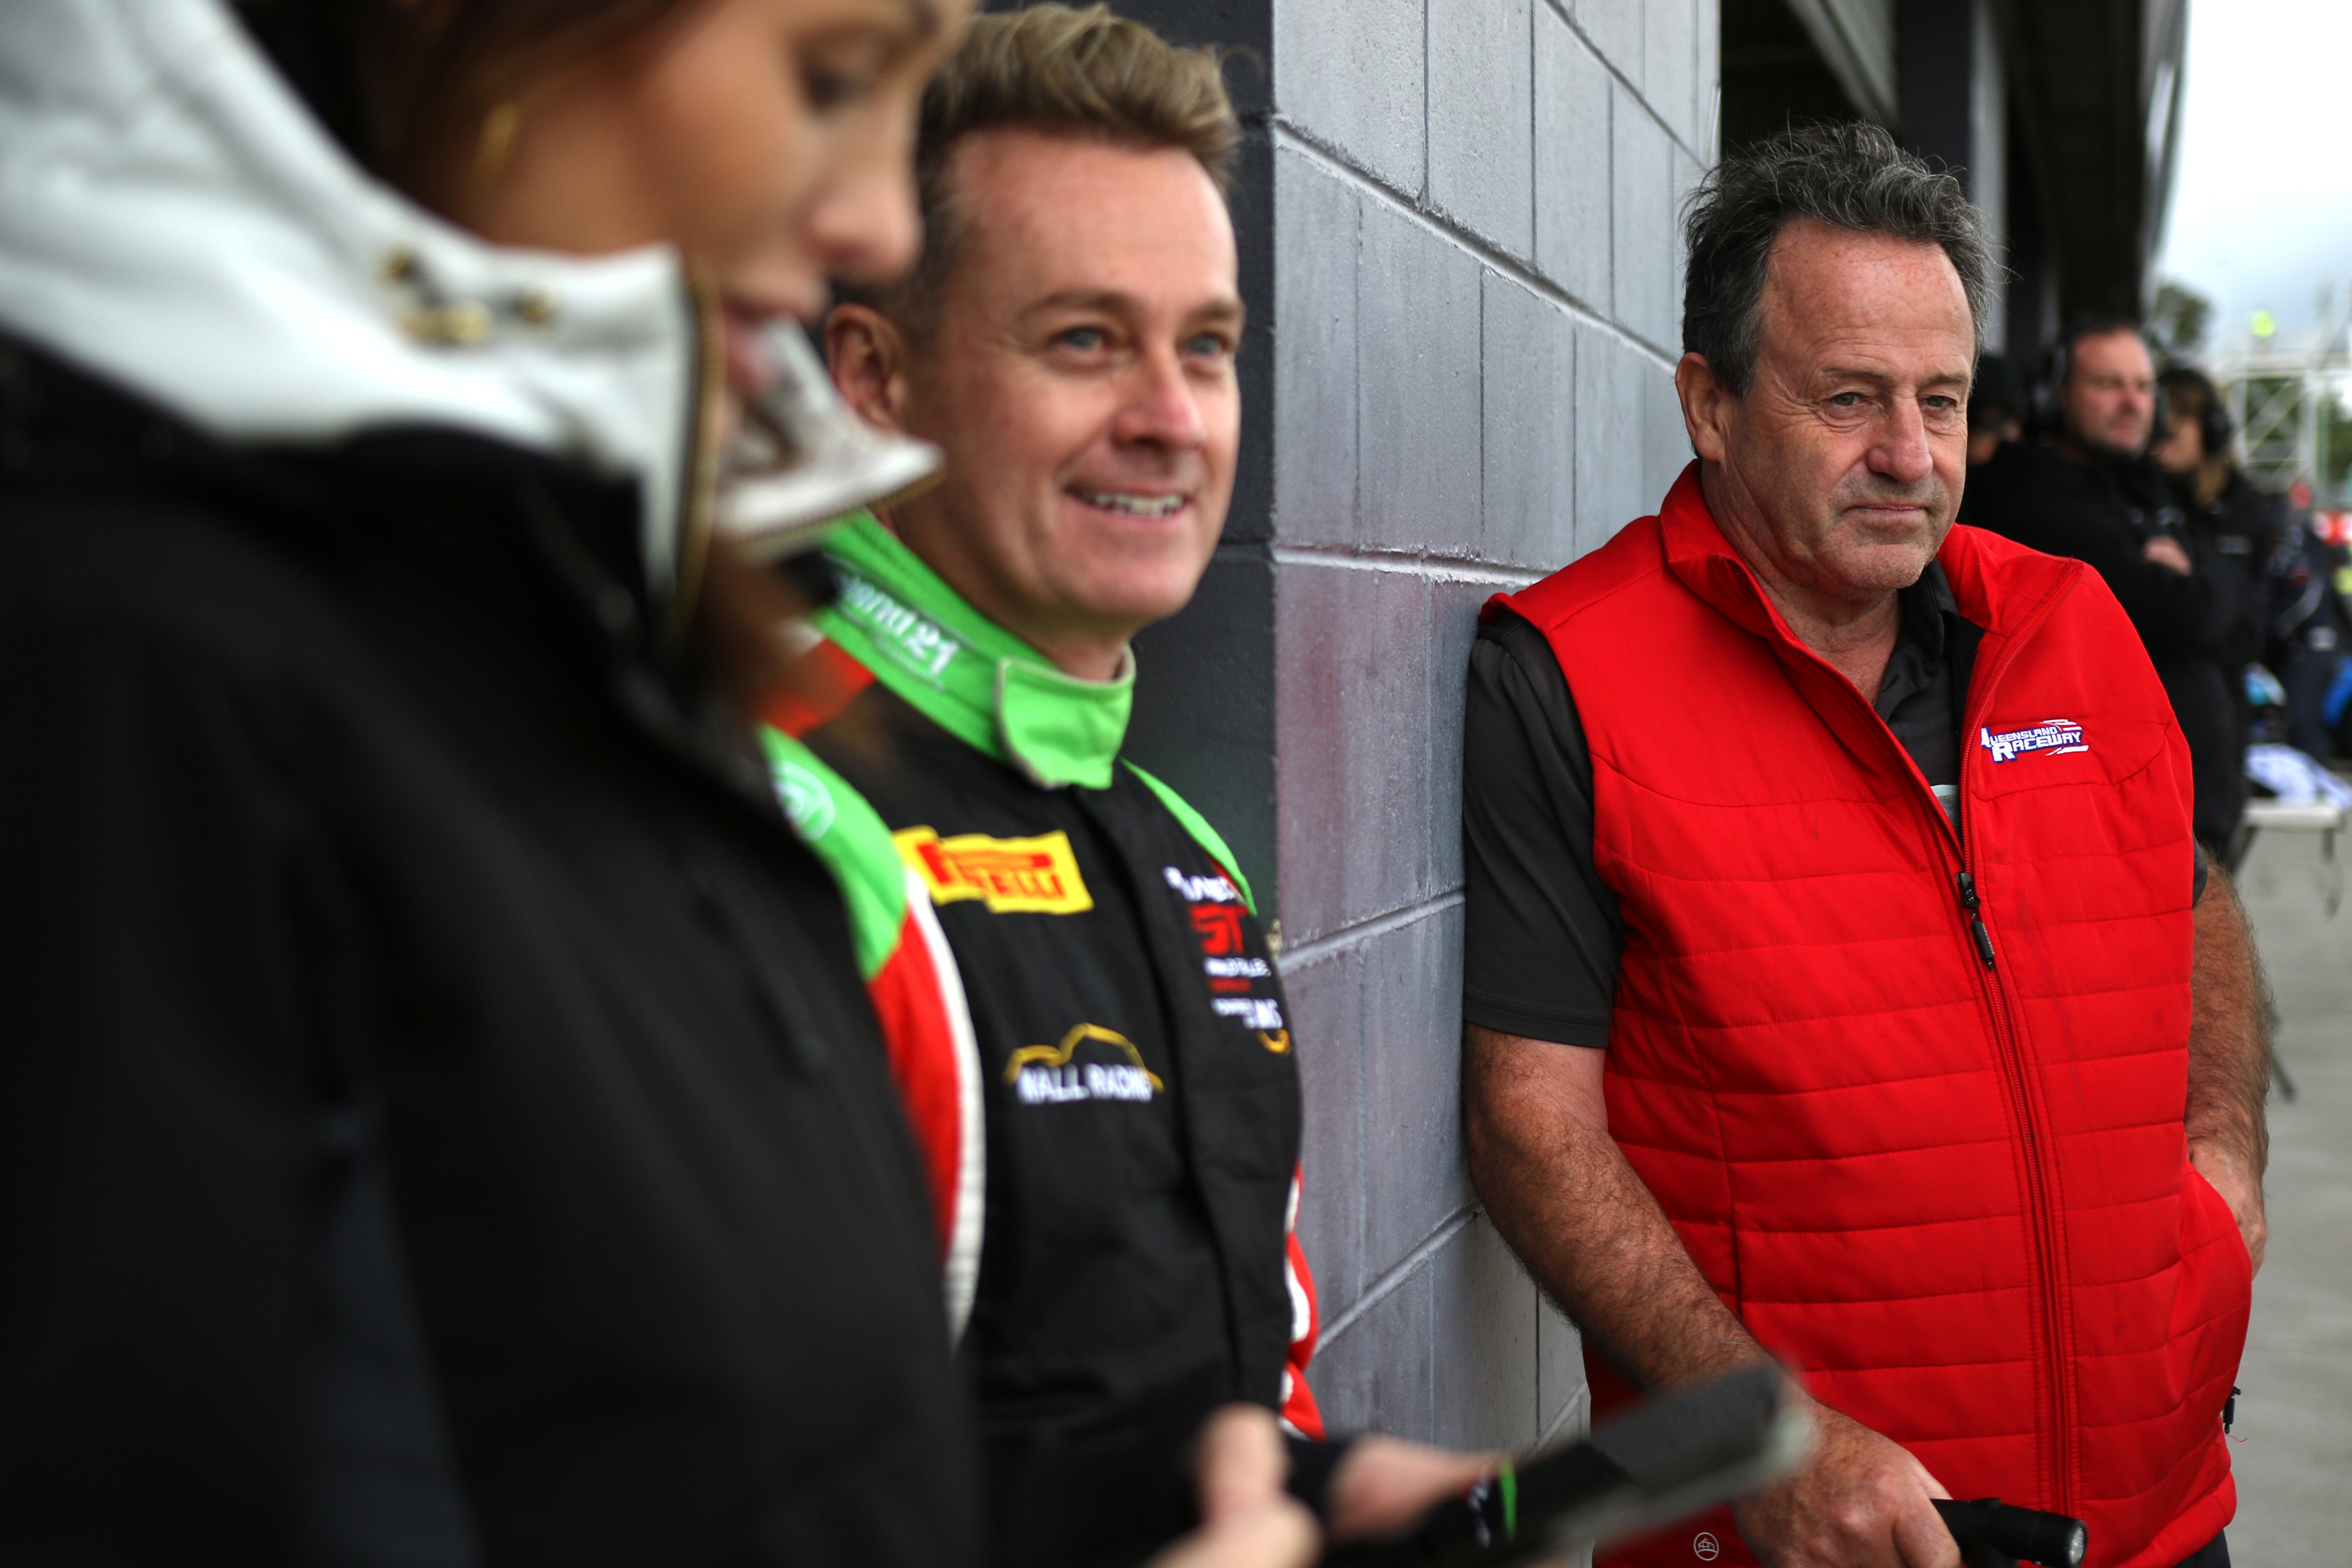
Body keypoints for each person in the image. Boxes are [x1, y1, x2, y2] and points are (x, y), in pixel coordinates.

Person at [0, 3, 1319, 1566]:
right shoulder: (143, 648)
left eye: (1211, 346)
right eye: (828, 81)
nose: (865, 217)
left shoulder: (609, 669)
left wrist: (1254, 1505)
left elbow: (731, 1458)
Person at [1461, 122, 2263, 1568]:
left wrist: (2219, 1172)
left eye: (1938, 401)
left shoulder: (2072, 623)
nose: (1906, 454)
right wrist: (1754, 1434)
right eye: (1846, 398)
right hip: (1822, 1532)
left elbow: (2188, 883)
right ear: (1706, 404)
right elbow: (1530, 1122)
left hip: (2155, 1512)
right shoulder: (1566, 672)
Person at [756, 8, 1490, 1564]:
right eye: (1086, 338)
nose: (1172, 414)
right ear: (876, 380)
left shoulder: (1187, 860)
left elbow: (1218, 1405)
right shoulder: (779, 829)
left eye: (1206, 344)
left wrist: (1323, 1504)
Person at [1967, 321, 2249, 856]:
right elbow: (2180, 615)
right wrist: (2200, 588)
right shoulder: (2034, 495)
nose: (2132, 403)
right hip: (2118, 830)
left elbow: (2245, 620)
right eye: (2108, 384)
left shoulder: (2145, 487)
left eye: (2143, 388)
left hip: (2196, 819)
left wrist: (2203, 586)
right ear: (2057, 396)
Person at [2155, 365, 2281, 835]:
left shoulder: (2242, 506)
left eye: (2180, 415)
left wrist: (2191, 581)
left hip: (2217, 719)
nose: (2163, 426)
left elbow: (2248, 635)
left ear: (2211, 430)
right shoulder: (2144, 496)